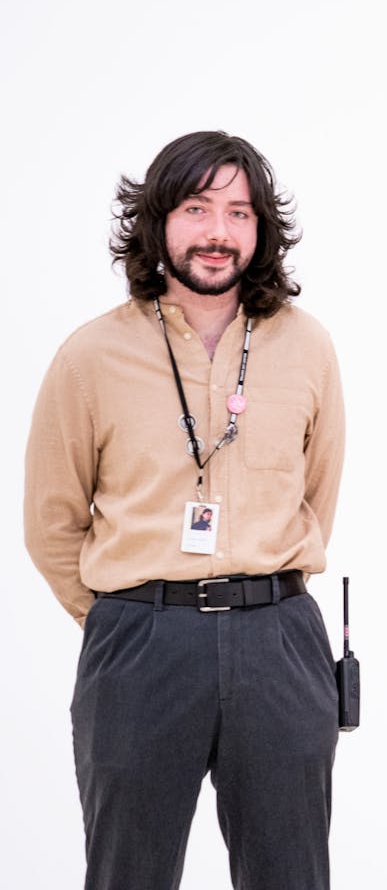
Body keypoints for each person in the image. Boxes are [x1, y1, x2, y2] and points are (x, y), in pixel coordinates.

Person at [23, 131, 346, 890]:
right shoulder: (90, 355)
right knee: (127, 874)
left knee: (291, 876)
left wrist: (264, 599)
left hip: (278, 638)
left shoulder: (307, 347)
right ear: (159, 220)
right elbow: (51, 521)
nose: (217, 232)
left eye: (239, 212)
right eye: (197, 208)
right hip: (140, 642)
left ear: (261, 230)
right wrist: (125, 618)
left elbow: (318, 495)